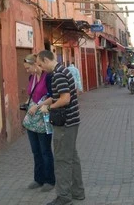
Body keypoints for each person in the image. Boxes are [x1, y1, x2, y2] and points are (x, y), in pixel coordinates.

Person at [37, 50, 85, 205]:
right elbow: (59, 95)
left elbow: (65, 98)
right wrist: (44, 103)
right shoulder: (63, 70)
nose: (41, 68)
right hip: (72, 121)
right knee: (72, 157)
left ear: (46, 60)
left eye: (40, 64)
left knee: (62, 159)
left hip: (65, 123)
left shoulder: (57, 74)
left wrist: (49, 108)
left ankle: (64, 196)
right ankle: (78, 192)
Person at [22, 54, 55, 192]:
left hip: (44, 117)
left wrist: (39, 105)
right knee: (35, 150)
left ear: (36, 64)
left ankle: (50, 180)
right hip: (32, 118)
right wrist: (28, 103)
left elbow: (53, 96)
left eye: (28, 67)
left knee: (45, 150)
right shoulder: (31, 78)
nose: (27, 70)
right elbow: (31, 94)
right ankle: (38, 179)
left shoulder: (48, 77)